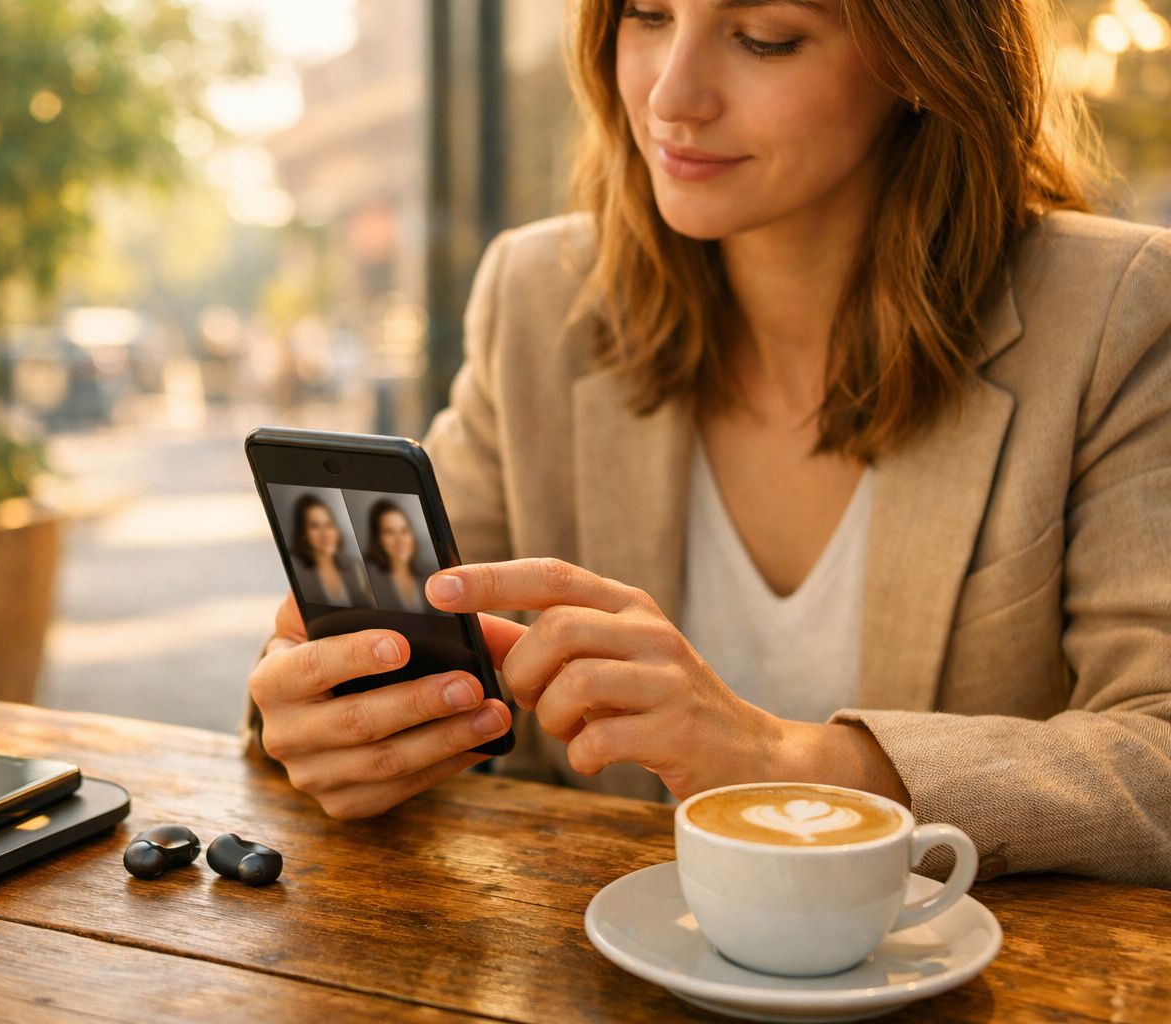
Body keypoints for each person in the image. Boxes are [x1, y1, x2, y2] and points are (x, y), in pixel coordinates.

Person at [246, 0, 1171, 886]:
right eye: (646, 16)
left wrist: (787, 759)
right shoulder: (538, 297)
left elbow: (1158, 753)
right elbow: (404, 647)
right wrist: (319, 714)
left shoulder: (1112, 314)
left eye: (765, 37)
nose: (670, 96)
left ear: (924, 58)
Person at [288, 493, 374, 608]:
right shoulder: (297, 571)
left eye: (328, 525)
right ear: (303, 533)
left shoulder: (354, 565)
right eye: (315, 526)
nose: (325, 534)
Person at [364, 501, 429, 613]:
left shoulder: (430, 572)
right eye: (389, 532)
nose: (400, 540)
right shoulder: (367, 579)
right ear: (377, 538)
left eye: (404, 531)